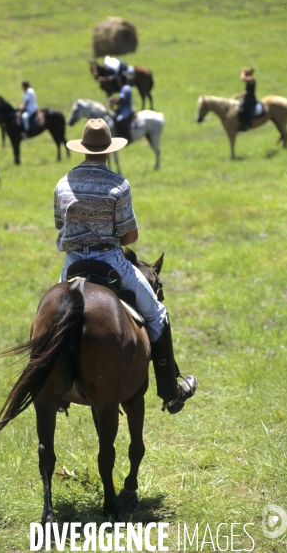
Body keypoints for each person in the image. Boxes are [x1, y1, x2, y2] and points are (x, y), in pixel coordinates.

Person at [54, 118, 198, 414]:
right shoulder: (119, 184)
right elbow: (130, 236)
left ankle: (55, 390)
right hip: (110, 261)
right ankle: (170, 390)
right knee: (158, 314)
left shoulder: (63, 183)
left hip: (73, 263)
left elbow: (60, 224)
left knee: (55, 321)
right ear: (107, 151)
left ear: (82, 150)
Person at [108, 75, 133, 143]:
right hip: (122, 108)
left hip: (126, 108)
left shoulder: (125, 88)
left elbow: (121, 100)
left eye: (119, 81)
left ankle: (128, 136)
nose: (118, 82)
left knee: (120, 119)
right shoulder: (123, 88)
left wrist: (112, 103)